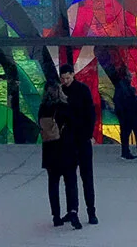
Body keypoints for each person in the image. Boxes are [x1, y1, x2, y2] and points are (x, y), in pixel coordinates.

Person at [60, 63, 98, 226]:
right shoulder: (61, 91)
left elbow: (90, 114)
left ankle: (91, 211)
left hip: (81, 139)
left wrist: (89, 135)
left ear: (73, 75)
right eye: (63, 78)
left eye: (68, 78)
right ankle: (72, 210)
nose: (65, 81)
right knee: (70, 178)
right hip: (68, 141)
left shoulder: (82, 90)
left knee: (86, 177)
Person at [38, 82, 80, 229]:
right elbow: (74, 126)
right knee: (71, 183)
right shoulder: (65, 107)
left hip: (50, 152)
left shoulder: (43, 108)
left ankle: (56, 216)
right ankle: (73, 211)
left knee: (53, 184)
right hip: (66, 150)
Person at [113, 68, 137, 161]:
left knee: (126, 134)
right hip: (126, 115)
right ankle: (127, 153)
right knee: (127, 134)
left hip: (127, 115)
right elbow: (118, 100)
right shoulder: (123, 87)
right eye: (130, 76)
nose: (131, 78)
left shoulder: (127, 87)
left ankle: (126, 152)